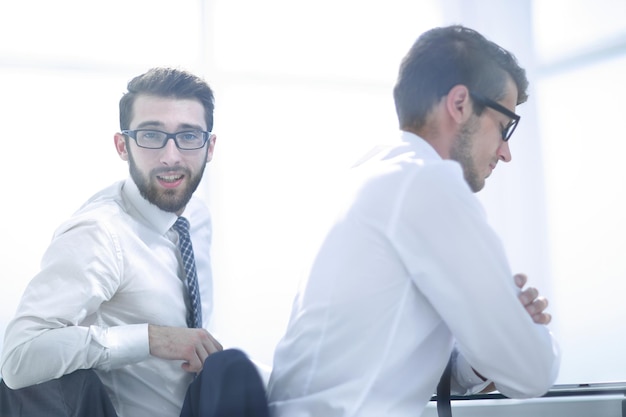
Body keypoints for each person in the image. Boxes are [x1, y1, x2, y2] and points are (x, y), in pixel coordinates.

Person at [266, 25, 560, 417]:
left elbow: (395, 361)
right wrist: (522, 332)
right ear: (460, 104)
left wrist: (494, 337)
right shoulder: (426, 182)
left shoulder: (372, 174)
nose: (506, 153)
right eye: (505, 126)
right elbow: (533, 372)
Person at [0, 67, 268, 417]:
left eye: (188, 136)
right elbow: (18, 357)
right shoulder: (98, 234)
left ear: (210, 146)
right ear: (122, 146)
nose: (171, 156)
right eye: (152, 135)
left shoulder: (194, 217)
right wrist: (150, 339)